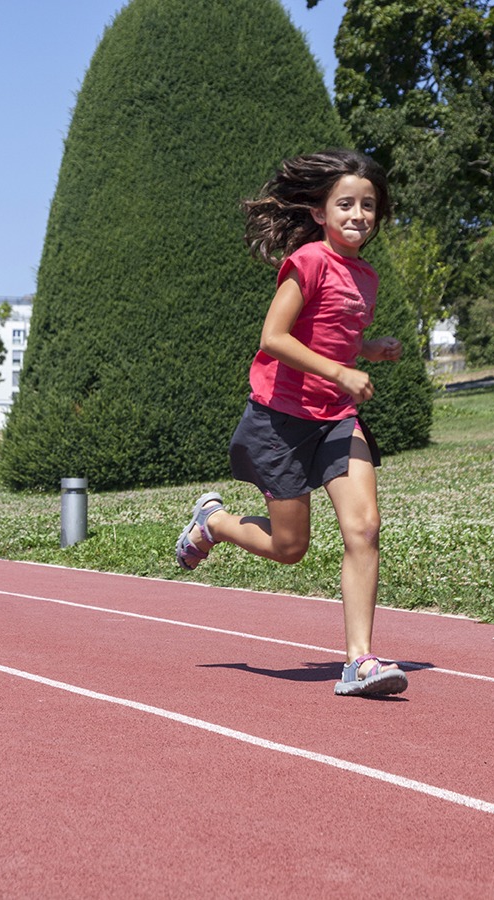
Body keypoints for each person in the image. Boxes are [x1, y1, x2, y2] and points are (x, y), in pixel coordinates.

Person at [175, 149, 408, 698]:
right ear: (321, 213)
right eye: (346, 204)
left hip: (336, 419)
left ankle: (360, 662)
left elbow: (332, 334)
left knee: (364, 528)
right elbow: (275, 338)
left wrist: (368, 351)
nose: (358, 214)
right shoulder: (307, 261)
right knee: (289, 548)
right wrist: (341, 371)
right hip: (280, 419)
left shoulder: (365, 276)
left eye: (368, 205)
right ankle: (213, 523)